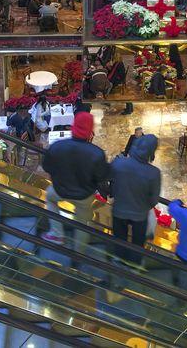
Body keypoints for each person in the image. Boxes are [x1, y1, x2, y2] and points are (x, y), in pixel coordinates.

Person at [42, 112, 109, 247]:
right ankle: (79, 251)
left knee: (49, 198)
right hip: (84, 195)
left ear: (73, 126)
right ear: (90, 131)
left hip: (60, 190)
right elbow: (102, 177)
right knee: (82, 222)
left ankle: (56, 234)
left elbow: (47, 166)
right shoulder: (97, 153)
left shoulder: (57, 146)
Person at [109, 133, 161, 263]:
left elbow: (108, 181)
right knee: (137, 244)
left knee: (119, 240)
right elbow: (153, 200)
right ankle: (134, 266)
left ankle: (118, 262)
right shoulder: (154, 173)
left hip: (119, 210)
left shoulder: (119, 163)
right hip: (139, 214)